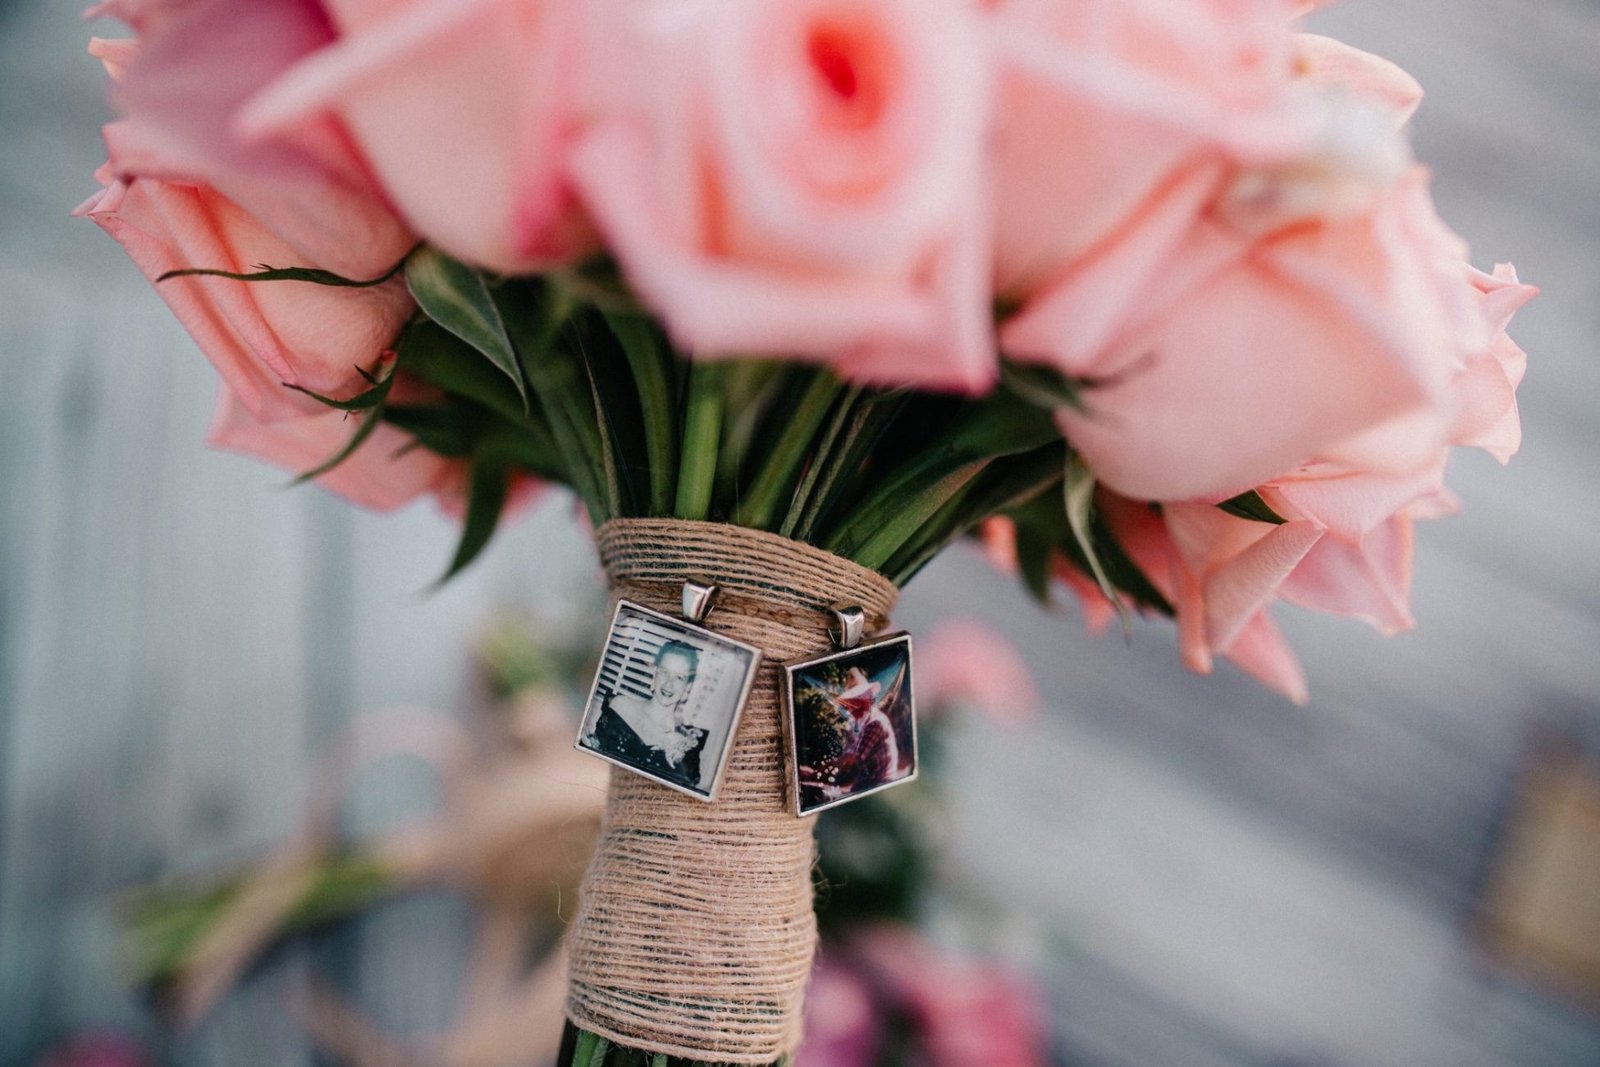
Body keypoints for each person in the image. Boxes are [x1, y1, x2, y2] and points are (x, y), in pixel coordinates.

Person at [586, 640, 707, 791]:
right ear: (654, 674)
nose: (668, 684)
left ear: (687, 687)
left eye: (679, 677)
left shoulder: (683, 745)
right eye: (664, 672)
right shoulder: (621, 705)